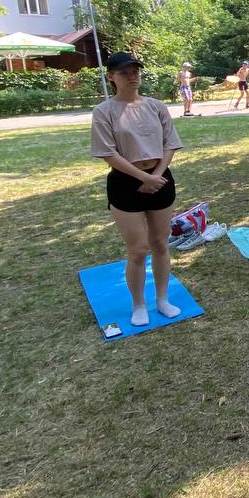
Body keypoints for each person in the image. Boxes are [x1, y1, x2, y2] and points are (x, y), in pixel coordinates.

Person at [91, 52, 184, 327]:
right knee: (138, 249)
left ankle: (163, 299)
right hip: (124, 181)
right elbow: (108, 153)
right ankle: (139, 304)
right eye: (125, 72)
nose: (132, 76)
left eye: (135, 71)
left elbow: (170, 144)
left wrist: (155, 176)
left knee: (160, 244)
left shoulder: (156, 106)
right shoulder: (104, 111)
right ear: (111, 77)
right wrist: (141, 177)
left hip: (160, 177)